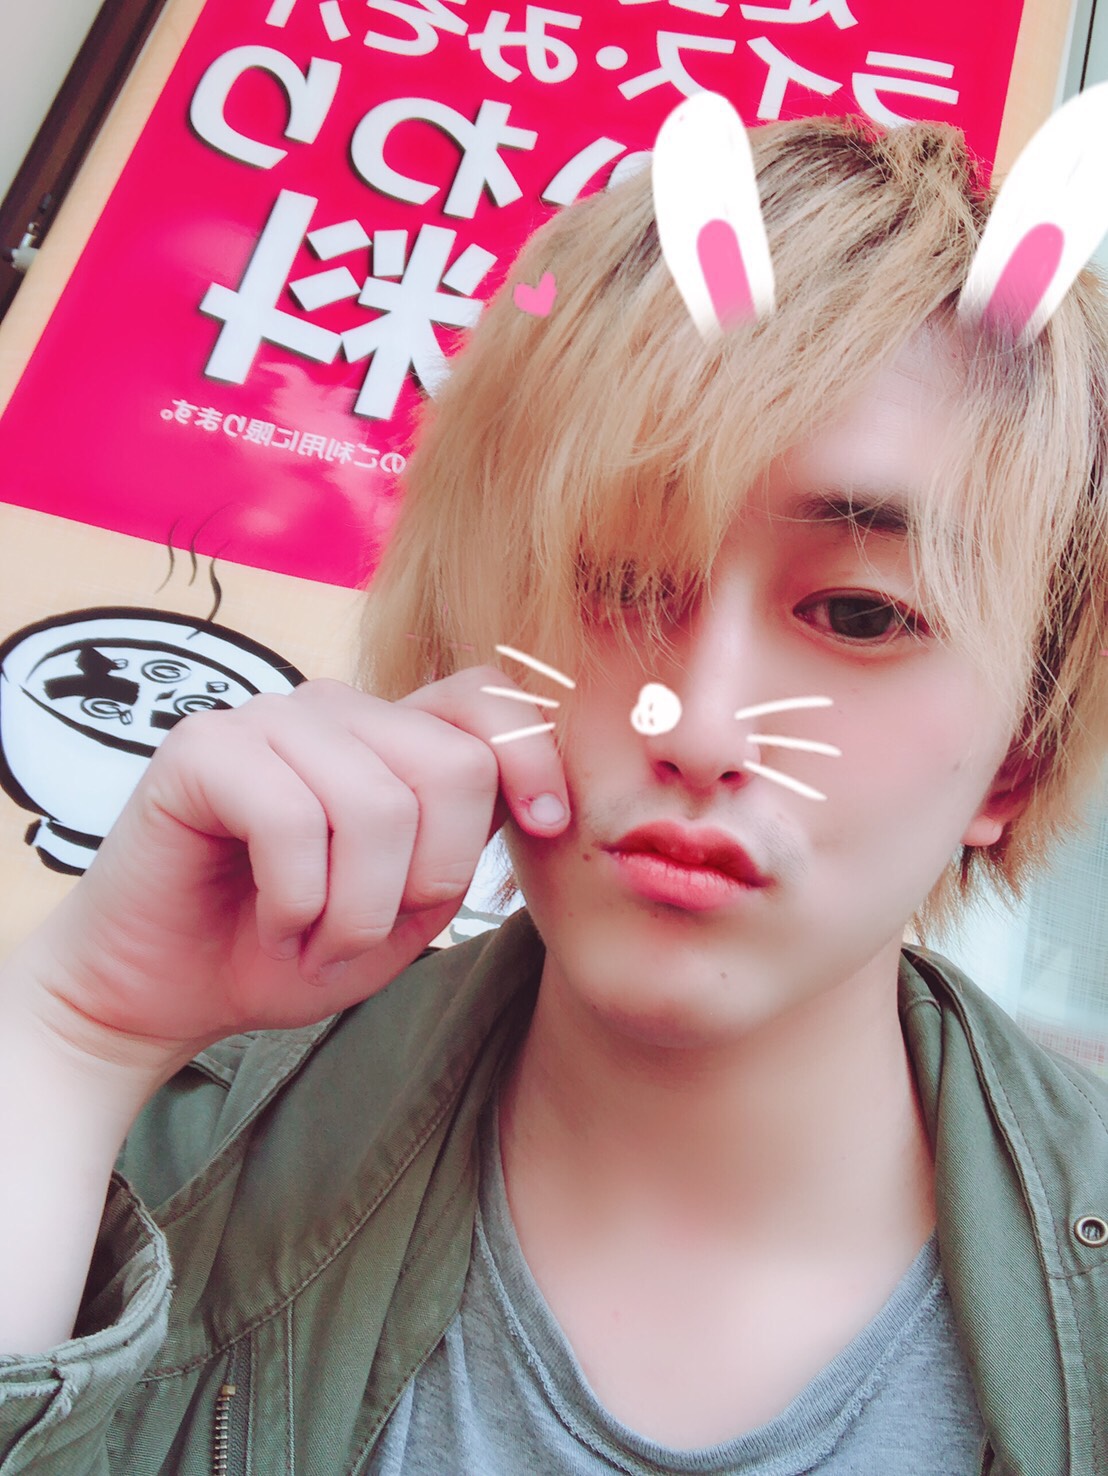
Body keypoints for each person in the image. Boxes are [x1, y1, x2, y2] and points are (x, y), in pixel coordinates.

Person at [2, 114, 1108, 1476]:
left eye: (861, 613)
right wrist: (75, 1037)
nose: (699, 725)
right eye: (620, 584)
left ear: (1020, 751)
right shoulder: (150, 1158)